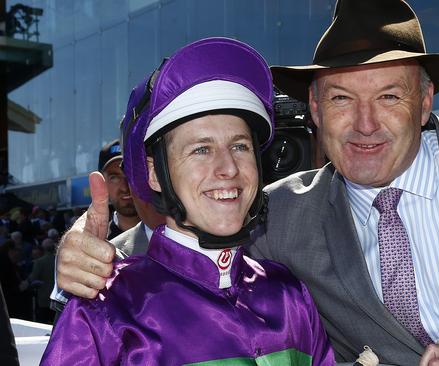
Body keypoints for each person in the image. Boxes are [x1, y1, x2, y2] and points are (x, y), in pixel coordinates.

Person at [55, 0, 439, 364]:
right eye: (341, 98)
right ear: (313, 109)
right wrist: (81, 252)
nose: (364, 124)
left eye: (389, 96)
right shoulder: (284, 212)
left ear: (424, 102)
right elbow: (190, 231)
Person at [41, 37, 334, 365]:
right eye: (201, 149)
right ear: (155, 174)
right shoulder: (105, 307)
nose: (228, 169)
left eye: (240, 146)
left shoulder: (290, 294)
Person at [98, 139, 140, 239]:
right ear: (103, 183)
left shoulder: (171, 235)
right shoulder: (97, 243)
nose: (125, 188)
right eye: (114, 178)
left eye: (131, 175)